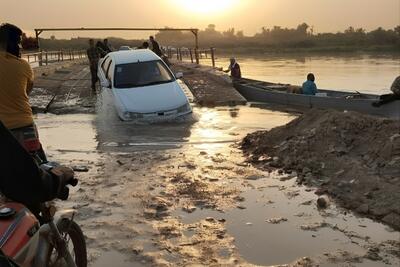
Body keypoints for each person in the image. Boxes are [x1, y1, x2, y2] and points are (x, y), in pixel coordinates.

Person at [0, 120, 75, 216]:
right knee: (30, 186)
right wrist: (60, 177)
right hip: (22, 127)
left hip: (18, 128)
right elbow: (33, 185)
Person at [0, 23, 47, 160]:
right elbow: (26, 91)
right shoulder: (24, 66)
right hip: (25, 127)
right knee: (37, 168)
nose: (20, 47)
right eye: (18, 43)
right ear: (9, 43)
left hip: (3, 130)